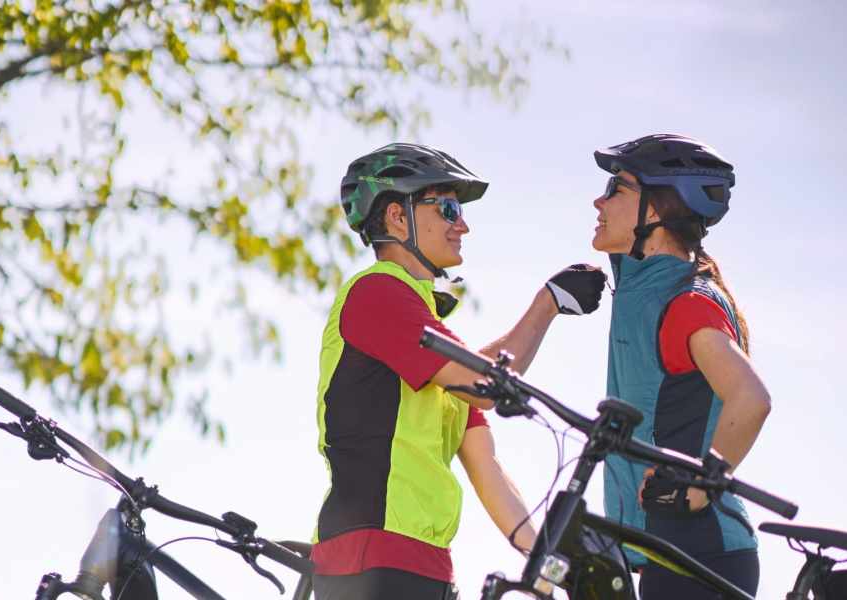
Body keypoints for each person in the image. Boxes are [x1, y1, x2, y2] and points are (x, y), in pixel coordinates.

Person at [311, 142, 607, 600]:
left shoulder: (427, 344)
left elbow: (485, 465)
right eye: (448, 208)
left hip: (422, 563)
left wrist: (551, 562)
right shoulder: (378, 294)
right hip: (372, 560)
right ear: (397, 217)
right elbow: (488, 385)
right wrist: (547, 303)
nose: (462, 224)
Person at [591, 134, 772, 599]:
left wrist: (699, 485)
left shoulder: (687, 303)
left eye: (616, 189)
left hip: (701, 550)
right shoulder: (648, 284)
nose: (599, 199)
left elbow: (751, 399)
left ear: (653, 212)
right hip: (667, 548)